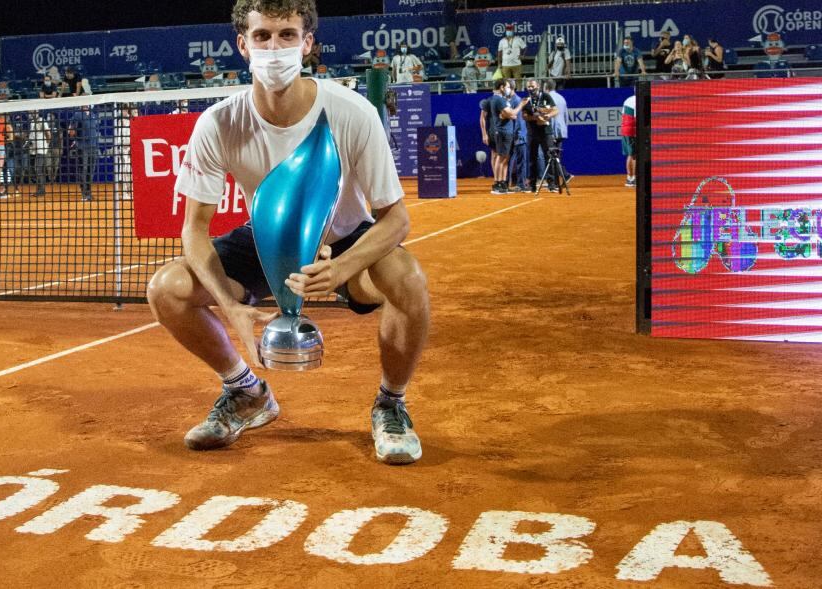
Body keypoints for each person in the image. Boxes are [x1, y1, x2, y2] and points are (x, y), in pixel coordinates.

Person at [147, 0, 431, 465]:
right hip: (265, 240)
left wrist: (341, 267)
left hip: (344, 241)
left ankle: (391, 404)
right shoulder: (218, 122)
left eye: (286, 35)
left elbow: (396, 220)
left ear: (308, 44)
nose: (274, 47)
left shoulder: (352, 111)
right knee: (167, 289)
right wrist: (231, 305)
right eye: (262, 36)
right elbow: (194, 230)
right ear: (243, 45)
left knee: (408, 279)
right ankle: (246, 392)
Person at [486, 79, 529, 195]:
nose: (508, 88)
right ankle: (498, 184)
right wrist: (521, 105)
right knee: (501, 159)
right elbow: (512, 114)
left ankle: (502, 184)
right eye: (507, 86)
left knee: (504, 159)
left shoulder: (499, 99)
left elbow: (510, 115)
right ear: (501, 87)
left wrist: (510, 114)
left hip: (505, 132)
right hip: (503, 132)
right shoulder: (499, 99)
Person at [522, 78, 559, 193]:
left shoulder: (546, 96)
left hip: (546, 132)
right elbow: (524, 116)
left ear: (538, 86)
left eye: (532, 86)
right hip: (532, 133)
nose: (530, 88)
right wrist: (536, 118)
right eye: (528, 87)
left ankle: (552, 184)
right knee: (532, 158)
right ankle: (532, 185)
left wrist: (547, 117)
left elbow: (555, 110)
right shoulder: (526, 100)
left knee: (550, 157)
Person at [68, 104, 99, 202]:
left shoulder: (93, 115)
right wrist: (76, 140)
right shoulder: (77, 115)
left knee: (91, 170)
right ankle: (84, 194)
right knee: (83, 170)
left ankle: (88, 192)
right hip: (82, 147)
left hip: (93, 147)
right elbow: (70, 132)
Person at [544, 79, 571, 185]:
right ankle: (557, 180)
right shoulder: (562, 98)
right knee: (556, 156)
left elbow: (552, 117)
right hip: (562, 130)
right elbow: (566, 116)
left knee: (552, 157)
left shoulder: (547, 98)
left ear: (546, 87)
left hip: (553, 131)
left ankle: (564, 175)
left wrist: (553, 133)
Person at [28, 110, 52, 197]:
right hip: (33, 149)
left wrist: (45, 145)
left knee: (38, 169)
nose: (31, 114)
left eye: (32, 113)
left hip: (41, 149)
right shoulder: (32, 122)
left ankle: (41, 190)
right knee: (34, 169)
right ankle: (40, 189)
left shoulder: (42, 121)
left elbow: (48, 134)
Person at [621, 93, 637, 187]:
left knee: (630, 155)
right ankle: (634, 178)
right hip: (632, 130)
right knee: (635, 155)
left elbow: (623, 115)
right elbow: (637, 118)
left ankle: (629, 178)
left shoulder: (628, 99)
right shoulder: (638, 101)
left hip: (625, 130)